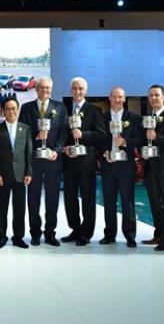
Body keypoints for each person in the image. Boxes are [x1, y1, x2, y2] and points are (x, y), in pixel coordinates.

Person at [18, 76, 66, 247]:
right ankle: (35, 233)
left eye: (48, 88)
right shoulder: (26, 108)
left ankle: (50, 233)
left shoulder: (60, 107)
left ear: (51, 89)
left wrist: (56, 151)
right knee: (33, 199)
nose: (45, 90)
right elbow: (21, 133)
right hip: (34, 161)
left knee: (53, 199)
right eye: (42, 87)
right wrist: (36, 136)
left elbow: (64, 133)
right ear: (36, 89)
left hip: (53, 160)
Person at [62, 77, 105, 246]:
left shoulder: (94, 110)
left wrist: (83, 134)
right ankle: (75, 229)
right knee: (70, 198)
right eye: (74, 88)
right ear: (71, 90)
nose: (77, 91)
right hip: (69, 161)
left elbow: (101, 134)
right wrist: (64, 147)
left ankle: (86, 233)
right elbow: (62, 133)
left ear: (85, 91)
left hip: (86, 162)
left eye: (80, 88)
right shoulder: (65, 109)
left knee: (87, 198)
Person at [98, 86, 141, 247]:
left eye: (120, 97)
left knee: (127, 201)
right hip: (108, 165)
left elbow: (140, 139)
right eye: (114, 97)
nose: (117, 100)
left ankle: (130, 235)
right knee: (108, 201)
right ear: (109, 98)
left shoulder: (134, 118)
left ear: (124, 99)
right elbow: (98, 139)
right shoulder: (102, 118)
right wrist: (104, 151)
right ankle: (109, 234)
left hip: (126, 166)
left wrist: (125, 142)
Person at [0, 97, 33, 249]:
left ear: (18, 110)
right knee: (2, 208)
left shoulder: (25, 129)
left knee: (19, 208)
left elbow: (28, 153)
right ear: (3, 111)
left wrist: (29, 172)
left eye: (14, 108)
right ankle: (1, 237)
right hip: (3, 176)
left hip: (20, 175)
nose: (11, 111)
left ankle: (18, 237)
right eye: (8, 108)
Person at [140, 84, 164, 251]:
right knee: (155, 202)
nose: (154, 98)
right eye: (151, 95)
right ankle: (158, 234)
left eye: (157, 95)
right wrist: (142, 151)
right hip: (150, 166)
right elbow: (142, 140)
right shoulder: (147, 118)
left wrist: (157, 137)